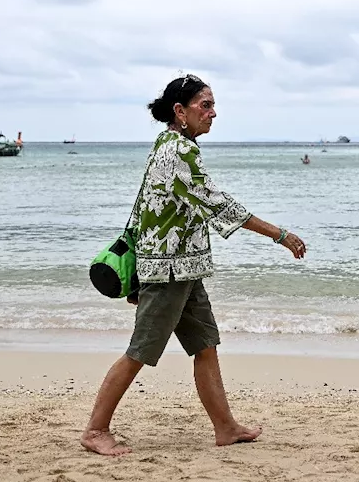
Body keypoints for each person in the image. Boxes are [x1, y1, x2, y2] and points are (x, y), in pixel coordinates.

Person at [81, 74, 307, 456]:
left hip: (186, 269)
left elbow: (149, 212)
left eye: (213, 105)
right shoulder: (177, 151)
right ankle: (95, 430)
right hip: (168, 272)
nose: (213, 113)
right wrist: (278, 234)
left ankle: (226, 427)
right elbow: (218, 204)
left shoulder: (172, 145)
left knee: (205, 346)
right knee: (140, 351)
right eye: (206, 105)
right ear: (179, 111)